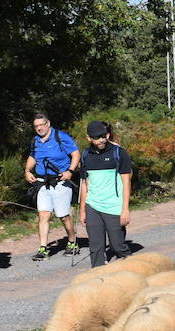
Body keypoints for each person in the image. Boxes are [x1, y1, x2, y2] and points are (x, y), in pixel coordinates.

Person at [24, 113, 80, 261]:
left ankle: (72, 241)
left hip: (61, 182)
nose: (39, 128)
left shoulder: (60, 137)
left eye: (41, 125)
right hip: (42, 183)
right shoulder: (35, 141)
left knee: (63, 216)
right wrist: (27, 171)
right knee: (43, 215)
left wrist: (70, 171)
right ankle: (43, 248)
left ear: (48, 124)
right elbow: (33, 157)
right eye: (36, 126)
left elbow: (75, 154)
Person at [77, 120, 133, 266]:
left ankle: (133, 269)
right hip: (92, 206)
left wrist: (125, 209)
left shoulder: (118, 153)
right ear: (89, 138)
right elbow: (84, 184)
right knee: (96, 248)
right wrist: (82, 210)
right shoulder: (85, 155)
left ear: (107, 134)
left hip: (114, 206)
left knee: (117, 245)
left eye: (103, 136)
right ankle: (98, 278)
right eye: (96, 137)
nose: (101, 140)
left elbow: (126, 182)